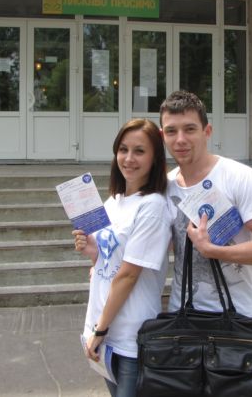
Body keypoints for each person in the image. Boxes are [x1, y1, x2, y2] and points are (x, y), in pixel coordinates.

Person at [160, 90, 252, 317]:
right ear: (162, 136)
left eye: (190, 129)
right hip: (182, 316)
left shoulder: (238, 176)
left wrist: (213, 251)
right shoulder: (165, 187)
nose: (180, 139)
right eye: (171, 131)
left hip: (235, 318)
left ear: (207, 131)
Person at [72, 118, 171, 397]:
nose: (129, 159)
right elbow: (108, 263)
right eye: (123, 149)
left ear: (155, 158)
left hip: (130, 336)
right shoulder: (112, 202)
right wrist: (92, 251)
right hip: (101, 330)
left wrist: (101, 330)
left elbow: (128, 275)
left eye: (139, 151)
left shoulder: (152, 206)